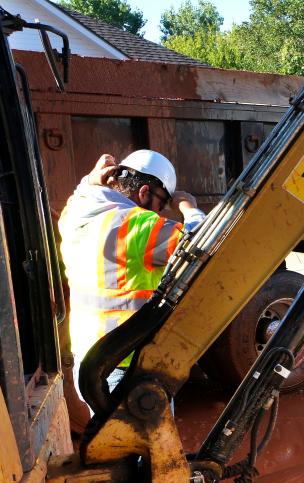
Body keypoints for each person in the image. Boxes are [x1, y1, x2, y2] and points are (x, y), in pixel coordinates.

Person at [59, 151, 206, 408]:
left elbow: (81, 194)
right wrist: (187, 207)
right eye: (162, 204)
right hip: (128, 365)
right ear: (144, 192)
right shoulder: (137, 225)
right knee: (148, 445)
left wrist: (90, 180)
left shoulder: (75, 215)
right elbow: (203, 246)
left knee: (111, 443)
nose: (161, 211)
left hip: (89, 361)